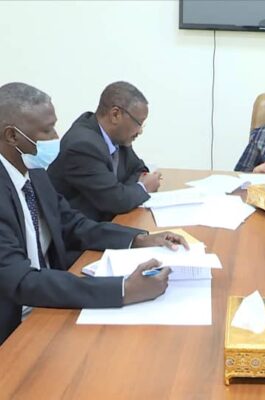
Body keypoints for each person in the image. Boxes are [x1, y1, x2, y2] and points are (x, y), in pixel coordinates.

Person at [0, 82, 188, 345]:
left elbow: (73, 225)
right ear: (12, 136)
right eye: (46, 130)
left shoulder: (34, 175)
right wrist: (123, 290)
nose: (56, 137)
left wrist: (140, 239)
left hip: (47, 303)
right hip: (13, 323)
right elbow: (22, 282)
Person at [48, 81, 161, 222]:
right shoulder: (82, 146)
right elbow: (116, 201)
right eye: (139, 123)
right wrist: (143, 187)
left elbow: (138, 169)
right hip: (80, 230)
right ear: (115, 115)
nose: (140, 131)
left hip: (107, 221)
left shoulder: (118, 137)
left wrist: (123, 190)